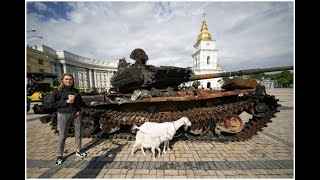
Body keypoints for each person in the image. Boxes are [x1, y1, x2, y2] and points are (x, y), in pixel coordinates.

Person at [46, 73, 87, 165]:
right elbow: (49, 104)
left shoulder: (76, 90)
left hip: (76, 114)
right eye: (66, 79)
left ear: (73, 81)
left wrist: (80, 109)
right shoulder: (57, 90)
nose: (68, 81)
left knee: (79, 133)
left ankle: (78, 150)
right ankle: (60, 155)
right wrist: (66, 102)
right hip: (63, 114)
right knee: (63, 135)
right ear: (62, 80)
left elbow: (79, 102)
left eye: (70, 79)